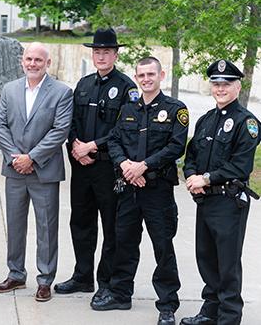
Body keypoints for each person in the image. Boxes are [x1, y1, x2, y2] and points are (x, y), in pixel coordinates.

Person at [90, 56, 187, 325]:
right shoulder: (128, 109)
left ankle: (167, 305)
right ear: (137, 76)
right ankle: (121, 293)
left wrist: (143, 166)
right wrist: (125, 166)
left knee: (163, 247)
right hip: (130, 187)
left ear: (161, 75)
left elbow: (176, 146)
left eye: (151, 74)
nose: (146, 79)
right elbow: (115, 140)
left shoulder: (176, 108)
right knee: (124, 243)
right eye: (141, 75)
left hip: (157, 190)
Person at [54, 27, 138, 302]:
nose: (101, 57)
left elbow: (125, 129)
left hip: (108, 168)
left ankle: (107, 281)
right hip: (81, 165)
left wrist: (93, 146)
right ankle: (82, 276)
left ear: (115, 54)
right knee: (80, 222)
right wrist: (76, 146)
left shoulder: (127, 88)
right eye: (97, 52)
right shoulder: (84, 84)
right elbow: (71, 122)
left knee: (111, 226)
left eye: (106, 52)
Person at [0, 42, 73, 302]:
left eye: (39, 60)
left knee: (46, 227)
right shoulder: (10, 89)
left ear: (47, 63)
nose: (33, 64)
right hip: (15, 169)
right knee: (15, 225)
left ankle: (45, 280)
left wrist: (32, 158)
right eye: (29, 59)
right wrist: (16, 158)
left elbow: (60, 130)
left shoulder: (61, 92)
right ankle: (15, 274)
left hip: (44, 171)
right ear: (22, 60)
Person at [181, 60, 260, 325]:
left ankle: (229, 318)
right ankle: (210, 312)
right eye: (216, 84)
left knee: (227, 264)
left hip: (229, 202)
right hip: (205, 200)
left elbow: (240, 165)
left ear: (238, 86)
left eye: (226, 84)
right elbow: (191, 154)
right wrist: (191, 176)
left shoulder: (247, 123)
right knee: (206, 258)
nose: (220, 88)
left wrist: (204, 178)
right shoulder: (206, 120)